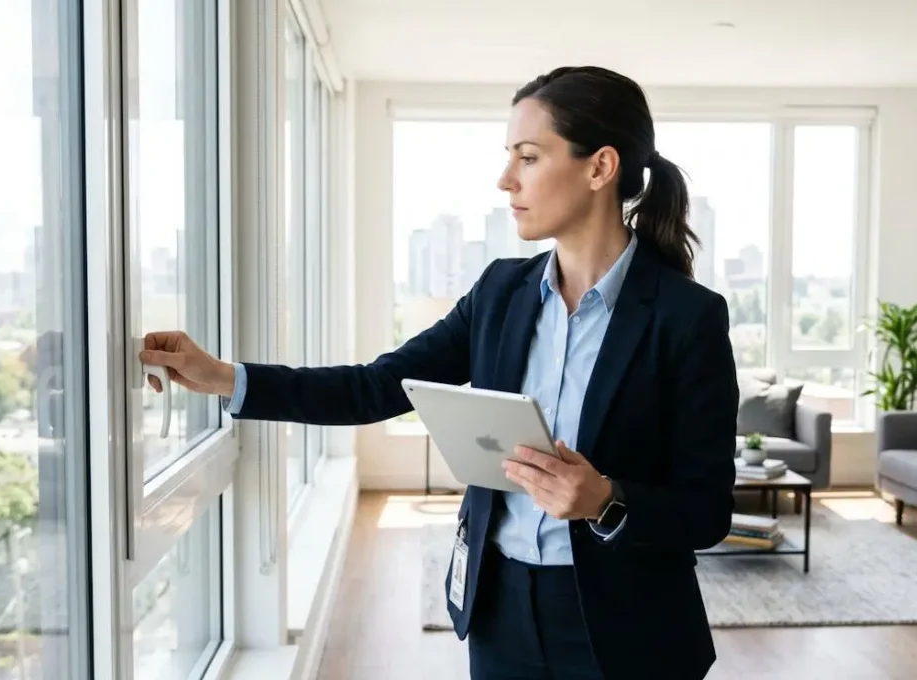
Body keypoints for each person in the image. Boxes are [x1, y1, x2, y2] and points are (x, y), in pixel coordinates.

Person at [140, 65, 739, 680]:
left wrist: (604, 500)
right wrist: (223, 377)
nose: (506, 180)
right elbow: (373, 386)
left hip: (628, 629)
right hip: (500, 608)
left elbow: (707, 511)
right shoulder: (499, 293)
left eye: (528, 158)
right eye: (510, 157)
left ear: (599, 168)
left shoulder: (686, 318)